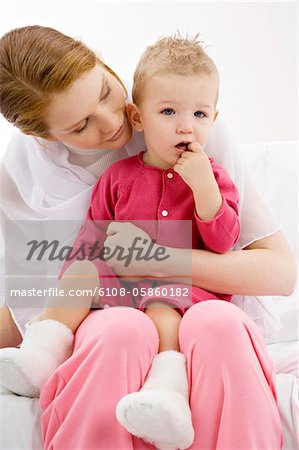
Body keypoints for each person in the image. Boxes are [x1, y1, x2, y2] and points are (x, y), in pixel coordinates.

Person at [0, 25, 296, 449]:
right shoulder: (26, 175)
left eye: (105, 90)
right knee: (118, 332)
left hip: (193, 299)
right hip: (100, 314)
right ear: (42, 136)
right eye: (82, 124)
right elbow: (35, 297)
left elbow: (271, 267)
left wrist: (157, 260)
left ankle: (175, 388)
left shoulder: (186, 126)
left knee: (219, 324)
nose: (112, 121)